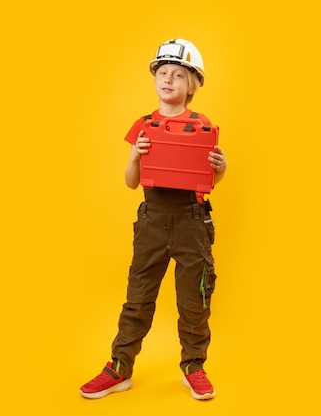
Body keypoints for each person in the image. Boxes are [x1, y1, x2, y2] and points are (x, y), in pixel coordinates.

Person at [79, 38, 227, 401]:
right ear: (154, 79)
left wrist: (221, 169)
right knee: (138, 296)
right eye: (163, 73)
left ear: (191, 86)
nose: (169, 80)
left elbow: (207, 183)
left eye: (179, 75)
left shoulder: (202, 125)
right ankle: (120, 367)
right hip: (151, 220)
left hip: (191, 220)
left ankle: (194, 366)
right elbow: (131, 182)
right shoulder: (143, 126)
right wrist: (135, 155)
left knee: (195, 297)